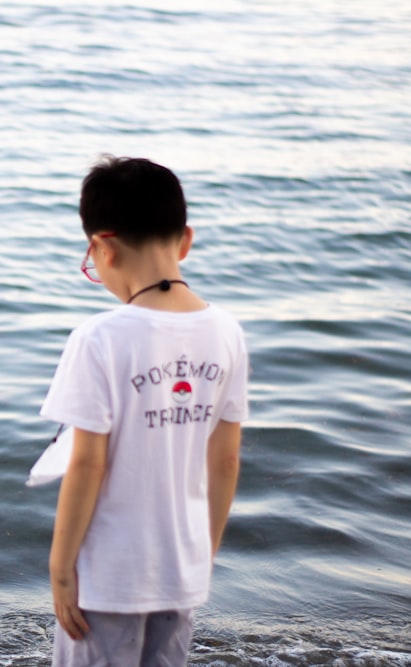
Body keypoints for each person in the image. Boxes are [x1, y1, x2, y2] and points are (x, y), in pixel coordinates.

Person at [39, 156, 249, 665]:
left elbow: (88, 463)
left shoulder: (98, 338)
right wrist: (204, 555)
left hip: (109, 577)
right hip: (183, 569)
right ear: (186, 240)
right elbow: (224, 461)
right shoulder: (227, 332)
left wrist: (62, 570)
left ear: (103, 248)